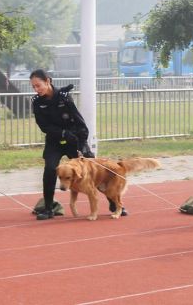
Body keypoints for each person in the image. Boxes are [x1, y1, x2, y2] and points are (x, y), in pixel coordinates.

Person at [30, 69, 127, 220]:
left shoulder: (64, 97)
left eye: (38, 85)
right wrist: (62, 133)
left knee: (96, 170)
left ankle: (114, 204)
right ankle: (48, 208)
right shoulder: (37, 102)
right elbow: (44, 126)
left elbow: (79, 121)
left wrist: (82, 144)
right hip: (54, 141)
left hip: (73, 139)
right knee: (50, 169)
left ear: (48, 81)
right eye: (33, 87)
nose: (36, 89)